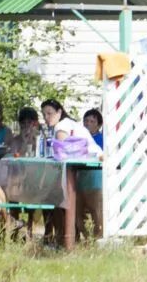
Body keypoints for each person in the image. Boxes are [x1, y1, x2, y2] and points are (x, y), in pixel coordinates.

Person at [41, 99, 104, 239]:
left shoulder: (61, 127)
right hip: (89, 169)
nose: (46, 117)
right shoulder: (70, 123)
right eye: (44, 114)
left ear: (59, 112)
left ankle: (76, 241)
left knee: (90, 213)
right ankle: (88, 243)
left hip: (90, 170)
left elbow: (63, 157)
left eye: (49, 113)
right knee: (86, 213)